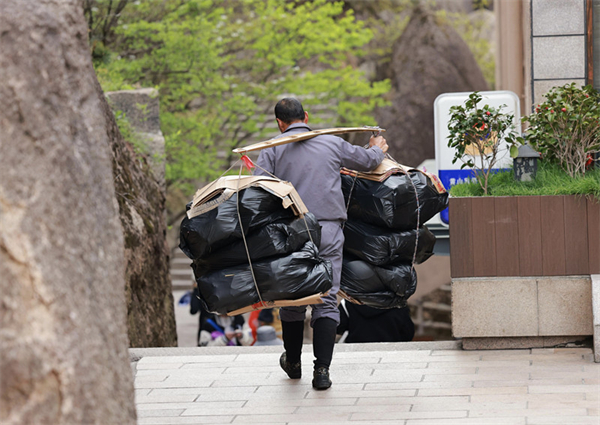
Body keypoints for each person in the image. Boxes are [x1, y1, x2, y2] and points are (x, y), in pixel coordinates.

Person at [254, 97, 388, 390]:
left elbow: (259, 189)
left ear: (279, 122)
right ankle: (322, 371)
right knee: (327, 298)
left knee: (292, 298)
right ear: (306, 115)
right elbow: (367, 161)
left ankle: (293, 361)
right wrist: (377, 147)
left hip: (289, 233)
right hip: (327, 230)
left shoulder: (270, 149)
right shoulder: (331, 142)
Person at [336, 299, 415, 343]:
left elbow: (338, 327)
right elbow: (408, 333)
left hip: (355, 353)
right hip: (391, 353)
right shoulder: (398, 302)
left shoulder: (348, 302)